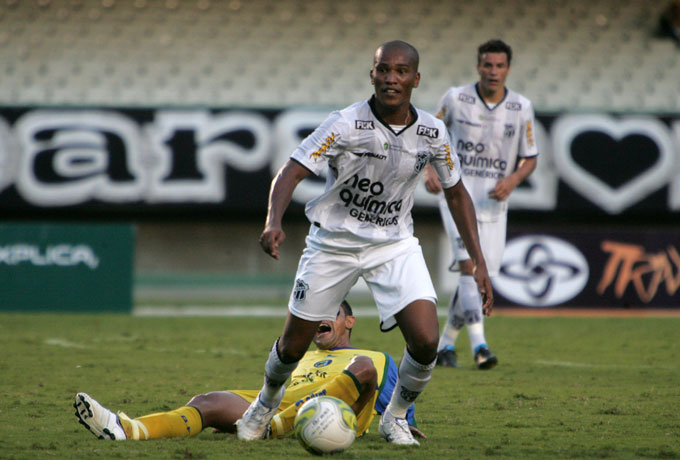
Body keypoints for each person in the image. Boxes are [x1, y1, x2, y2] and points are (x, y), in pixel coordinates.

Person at [243, 40, 492, 447]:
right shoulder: (344, 123)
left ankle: (393, 418)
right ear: (372, 74)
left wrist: (478, 262)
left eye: (400, 71)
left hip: (393, 244)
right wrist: (273, 221)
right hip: (332, 244)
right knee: (292, 346)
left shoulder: (432, 131)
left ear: (415, 78)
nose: (390, 78)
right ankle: (265, 403)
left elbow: (457, 192)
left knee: (427, 339)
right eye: (383, 70)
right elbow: (290, 172)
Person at [74, 301, 426, 441]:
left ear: (349, 320)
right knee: (208, 400)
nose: (320, 317)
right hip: (274, 406)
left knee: (362, 368)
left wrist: (404, 421)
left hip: (333, 413)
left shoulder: (375, 356)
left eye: (330, 311)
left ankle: (276, 426)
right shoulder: (298, 356)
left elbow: (394, 410)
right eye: (316, 310)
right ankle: (126, 430)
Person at [424, 39, 538, 370]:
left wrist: (513, 180)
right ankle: (480, 347)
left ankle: (445, 345)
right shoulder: (456, 98)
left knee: (486, 271)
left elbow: (530, 158)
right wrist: (431, 170)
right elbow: (427, 135)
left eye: (499, 66)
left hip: (494, 203)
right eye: (487, 65)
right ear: (478, 66)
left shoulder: (521, 107)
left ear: (508, 69)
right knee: (470, 267)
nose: (493, 71)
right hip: (457, 197)